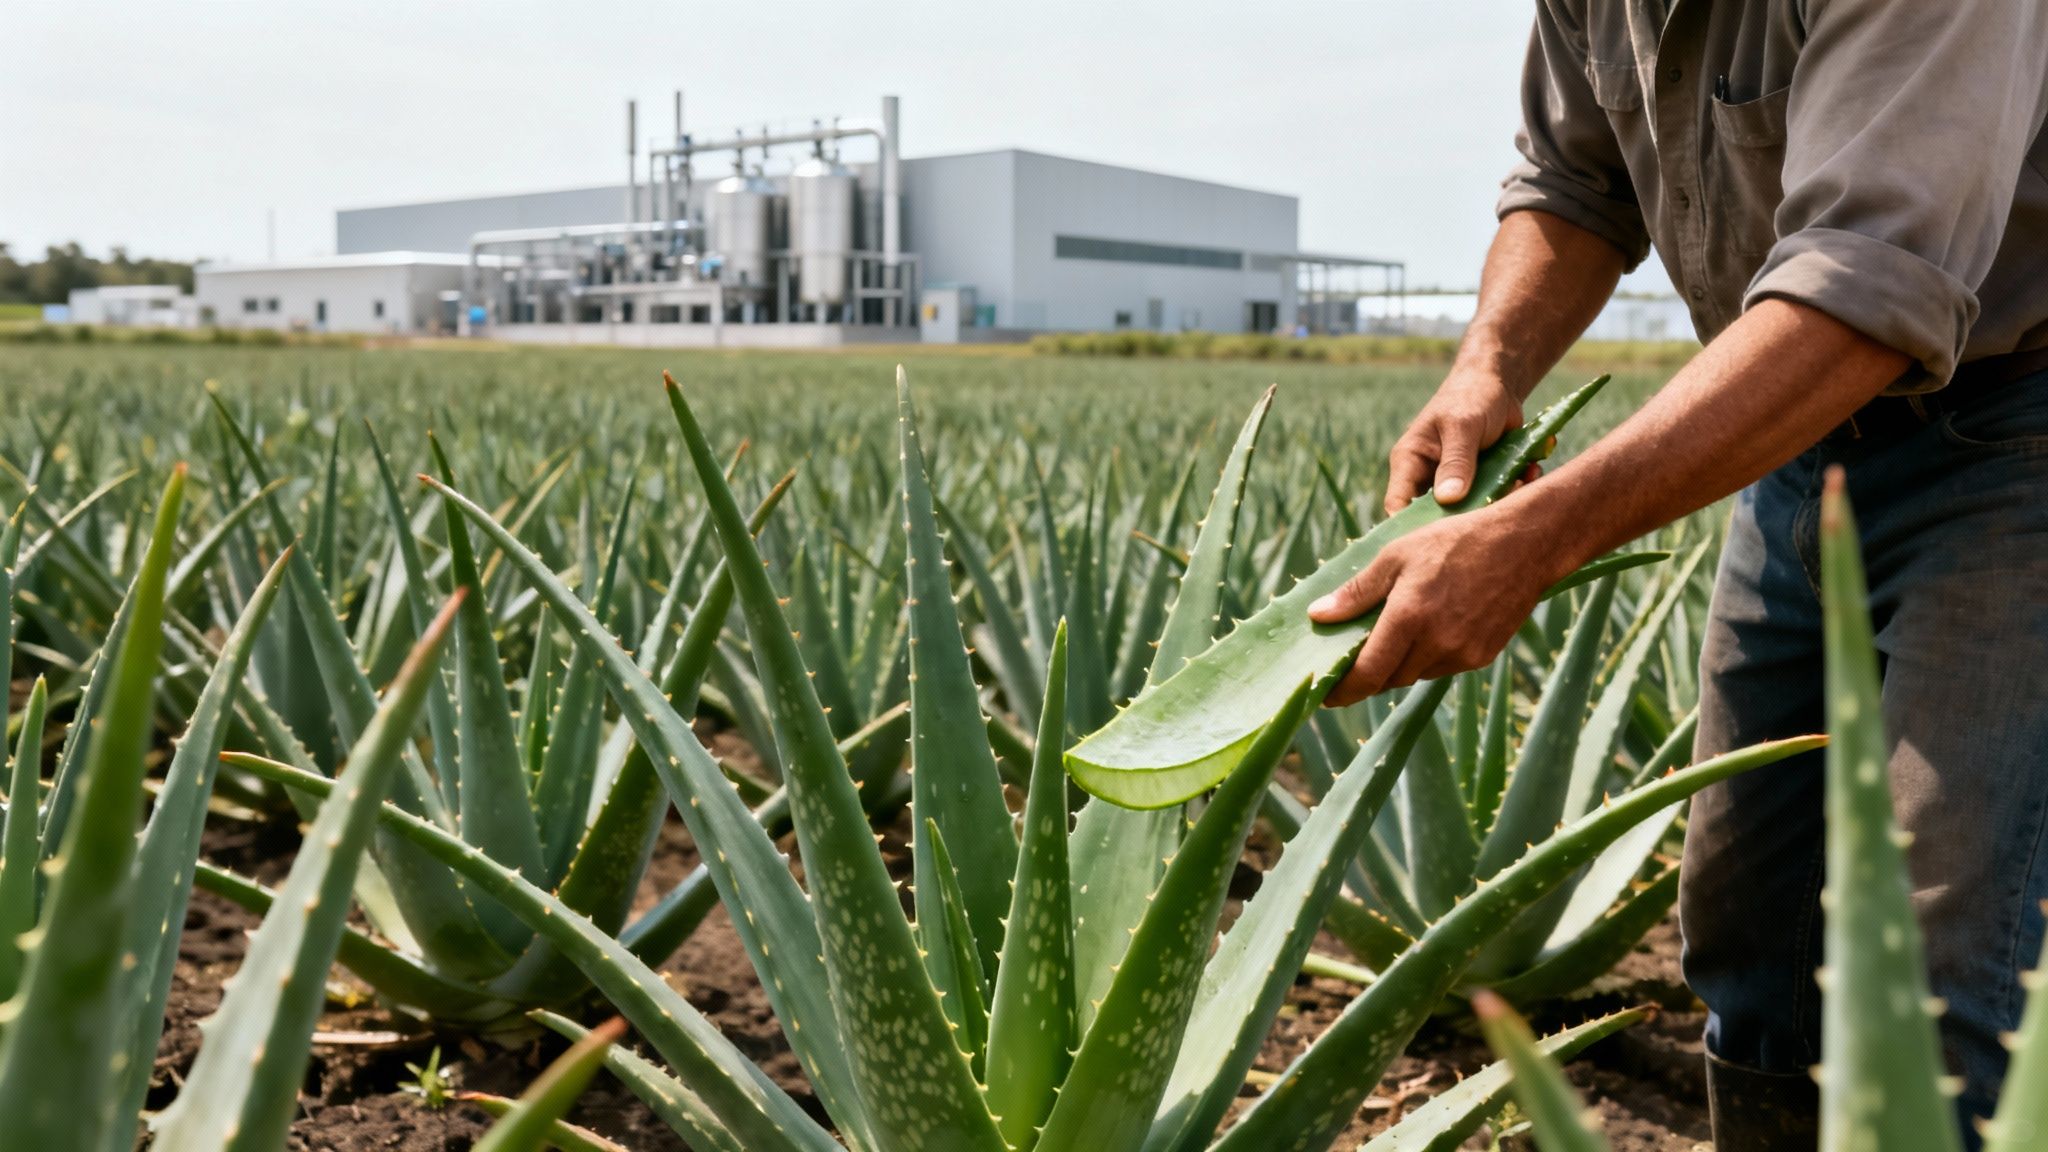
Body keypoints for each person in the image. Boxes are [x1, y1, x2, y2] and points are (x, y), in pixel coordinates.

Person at [1303, 3, 2048, 1149]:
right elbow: (1569, 180)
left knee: (1936, 955)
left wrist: (1531, 540)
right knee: (1752, 932)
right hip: (1794, 437)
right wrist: (1484, 367)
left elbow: (1867, 286)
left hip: (2009, 436)